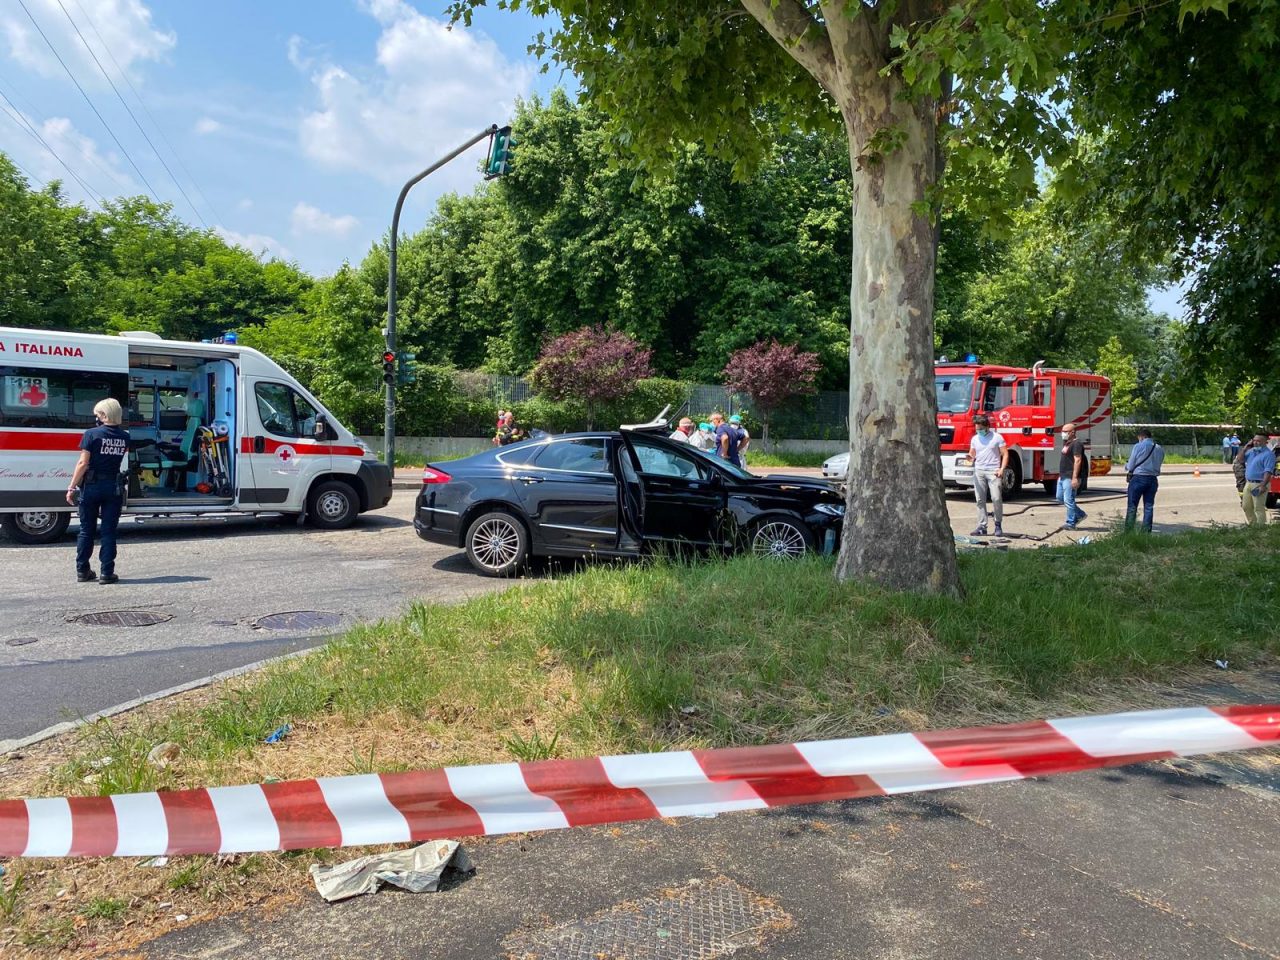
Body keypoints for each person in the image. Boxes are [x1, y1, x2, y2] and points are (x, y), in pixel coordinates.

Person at [67, 398, 130, 584]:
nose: (96, 418)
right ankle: (106, 572)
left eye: (97, 414)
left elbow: (83, 463)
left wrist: (71, 487)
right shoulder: (124, 436)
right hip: (113, 487)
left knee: (86, 530)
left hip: (91, 486)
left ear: (104, 415)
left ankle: (83, 571)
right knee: (109, 531)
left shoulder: (91, 434)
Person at [968, 414, 1007, 536]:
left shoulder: (997, 438)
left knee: (996, 498)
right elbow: (972, 453)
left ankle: (998, 524)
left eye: (980, 429)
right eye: (977, 429)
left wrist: (1002, 469)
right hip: (979, 471)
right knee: (980, 500)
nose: (978, 431)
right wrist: (969, 459)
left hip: (993, 471)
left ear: (987, 427)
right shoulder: (974, 439)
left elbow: (1005, 454)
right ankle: (982, 526)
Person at [1124, 427, 1165, 533]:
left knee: (1132, 506)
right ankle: (1146, 532)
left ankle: (1128, 532)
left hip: (1138, 478)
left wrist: (1126, 466)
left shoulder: (1139, 446)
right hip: (1152, 479)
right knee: (1149, 506)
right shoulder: (1159, 448)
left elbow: (1131, 464)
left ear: (1142, 437)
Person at [1056, 422, 1088, 530]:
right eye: (1062, 431)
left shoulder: (1077, 444)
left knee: (1068, 500)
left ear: (1072, 432)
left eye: (1065, 431)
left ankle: (1071, 523)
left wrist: (1075, 477)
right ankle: (1080, 514)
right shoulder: (1067, 443)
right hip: (1063, 475)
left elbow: (1077, 460)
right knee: (1060, 498)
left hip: (1070, 476)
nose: (1062, 433)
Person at [1241, 432, 1276, 526]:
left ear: (1265, 442)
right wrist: (1244, 449)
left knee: (1258, 507)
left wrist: (1263, 485)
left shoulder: (1268, 454)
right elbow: (1240, 460)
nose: (1256, 443)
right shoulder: (1251, 451)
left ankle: (1261, 528)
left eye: (1259, 441)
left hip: (1260, 483)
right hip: (1248, 483)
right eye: (1254, 440)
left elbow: (1268, 471)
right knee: (1246, 506)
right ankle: (1253, 525)